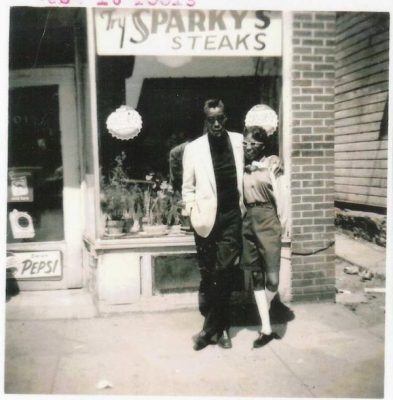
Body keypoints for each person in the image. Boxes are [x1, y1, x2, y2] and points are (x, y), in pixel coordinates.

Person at [182, 99, 245, 351]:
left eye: (220, 118)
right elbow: (187, 187)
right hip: (206, 219)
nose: (216, 123)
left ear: (226, 118)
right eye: (211, 119)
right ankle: (220, 329)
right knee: (210, 274)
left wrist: (273, 163)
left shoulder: (240, 142)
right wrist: (190, 211)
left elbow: (259, 158)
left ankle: (211, 331)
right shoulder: (194, 148)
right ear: (205, 120)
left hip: (232, 217)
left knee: (224, 271)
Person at [241, 104, 288, 348]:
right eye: (245, 144)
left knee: (273, 280)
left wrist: (283, 225)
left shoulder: (272, 164)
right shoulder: (241, 166)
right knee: (256, 275)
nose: (248, 148)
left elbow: (282, 196)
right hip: (248, 220)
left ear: (263, 146)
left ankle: (265, 307)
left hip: (269, 219)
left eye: (253, 145)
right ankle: (266, 328)